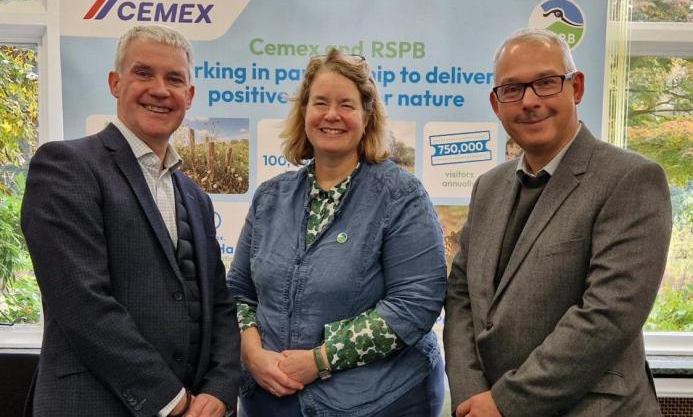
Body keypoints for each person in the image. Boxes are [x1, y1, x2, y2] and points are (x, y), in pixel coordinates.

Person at [444, 28, 672, 417]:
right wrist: (471, 396)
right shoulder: (489, 187)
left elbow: (607, 315)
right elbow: (462, 295)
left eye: (546, 83)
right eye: (512, 89)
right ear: (497, 104)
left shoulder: (631, 179)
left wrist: (505, 403)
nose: (529, 101)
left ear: (576, 88)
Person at [21, 25, 241, 417]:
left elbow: (219, 304)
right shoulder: (67, 167)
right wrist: (171, 400)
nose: (159, 89)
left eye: (174, 79)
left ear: (189, 96)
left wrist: (220, 388)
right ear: (115, 83)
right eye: (143, 73)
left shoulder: (196, 197)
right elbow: (81, 300)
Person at [227, 49, 447, 416]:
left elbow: (416, 303)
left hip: (379, 402)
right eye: (320, 103)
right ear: (304, 113)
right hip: (269, 400)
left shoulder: (401, 196)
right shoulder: (270, 197)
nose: (332, 115)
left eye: (346, 104)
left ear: (366, 116)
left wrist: (321, 359)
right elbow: (239, 292)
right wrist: (251, 354)